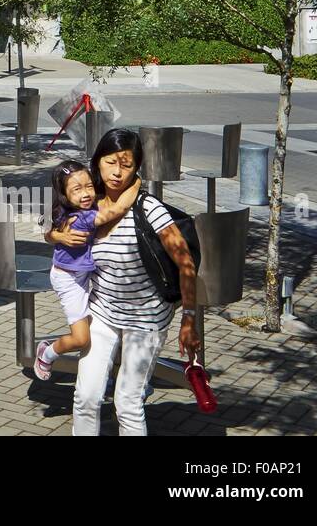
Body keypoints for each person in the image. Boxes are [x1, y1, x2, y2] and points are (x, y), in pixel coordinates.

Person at [44, 128, 200, 436]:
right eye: (111, 162)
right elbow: (51, 221)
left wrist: (189, 318)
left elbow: (185, 262)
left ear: (136, 167)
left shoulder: (148, 208)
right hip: (103, 312)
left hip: (145, 320)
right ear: (98, 162)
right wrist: (54, 235)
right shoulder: (89, 203)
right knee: (86, 397)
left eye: (127, 165)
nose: (117, 172)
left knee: (127, 402)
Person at [33, 159, 141, 379]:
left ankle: (109, 374)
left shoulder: (71, 207)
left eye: (89, 186)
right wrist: (136, 182)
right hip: (69, 280)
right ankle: (47, 352)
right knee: (82, 338)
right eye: (77, 189)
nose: (86, 194)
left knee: (100, 329)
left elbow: (46, 230)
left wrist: (56, 235)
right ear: (64, 194)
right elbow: (118, 209)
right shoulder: (82, 216)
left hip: (82, 275)